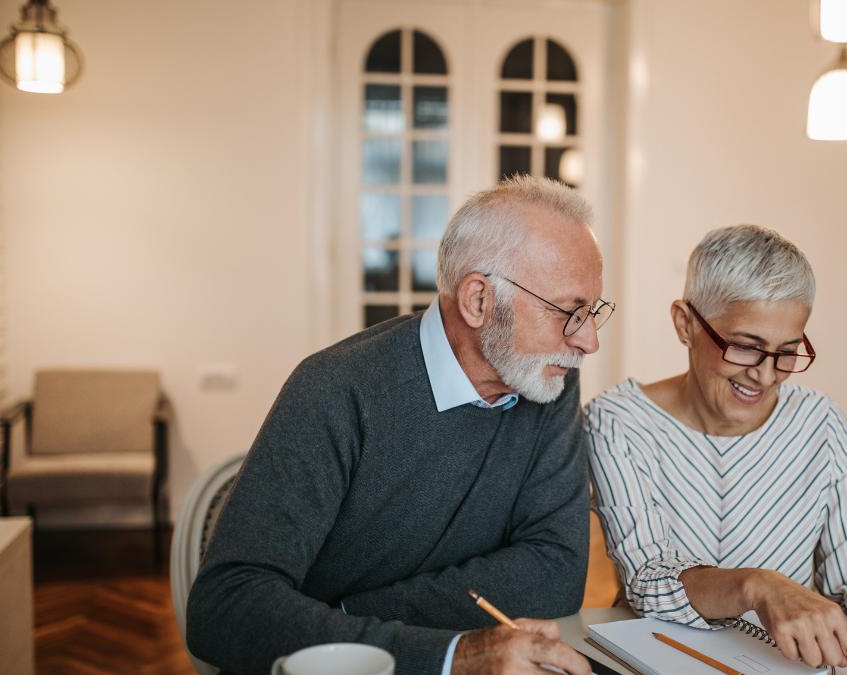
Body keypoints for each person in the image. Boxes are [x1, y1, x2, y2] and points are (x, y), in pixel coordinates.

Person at [187, 175, 615, 675]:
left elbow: (556, 572)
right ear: (479, 301)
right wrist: (450, 655)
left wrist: (345, 619)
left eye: (592, 312)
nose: (587, 341)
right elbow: (225, 606)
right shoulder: (336, 389)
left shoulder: (547, 381)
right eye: (568, 311)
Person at [585, 225, 847, 675]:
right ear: (685, 324)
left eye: (787, 351)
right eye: (746, 347)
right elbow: (648, 581)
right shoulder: (617, 421)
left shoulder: (820, 423)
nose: (766, 376)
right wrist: (758, 586)